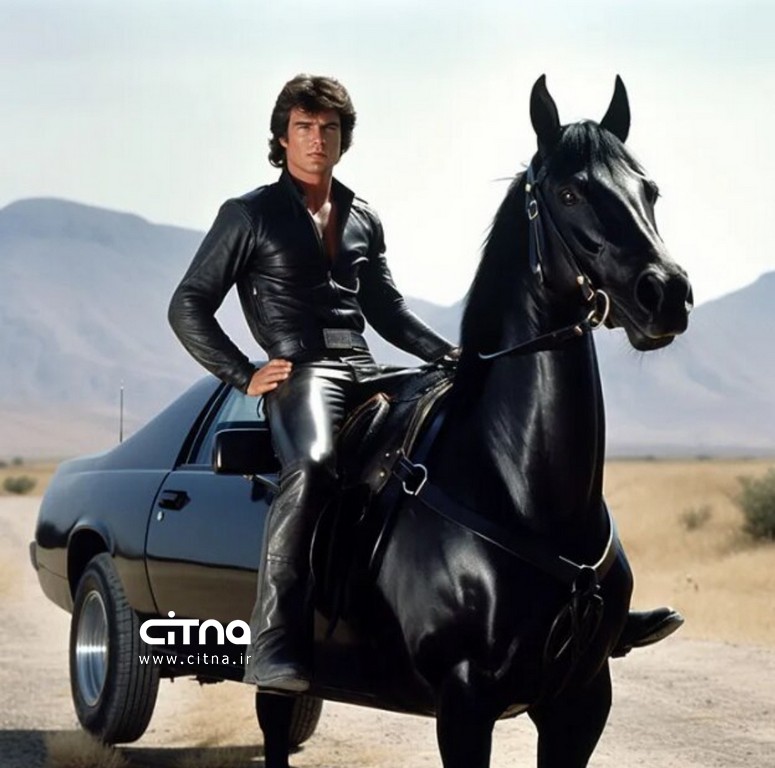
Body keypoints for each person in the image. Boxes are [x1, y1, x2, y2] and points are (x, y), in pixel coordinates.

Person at [169, 74, 682, 695]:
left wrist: (446, 354)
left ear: (343, 138)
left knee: (466, 431)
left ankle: (590, 604)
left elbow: (386, 310)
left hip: (366, 367)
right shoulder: (247, 215)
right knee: (312, 465)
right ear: (282, 138)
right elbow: (188, 304)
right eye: (304, 128)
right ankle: (276, 636)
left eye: (329, 128)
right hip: (301, 372)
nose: (317, 140)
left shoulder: (361, 216)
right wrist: (244, 373)